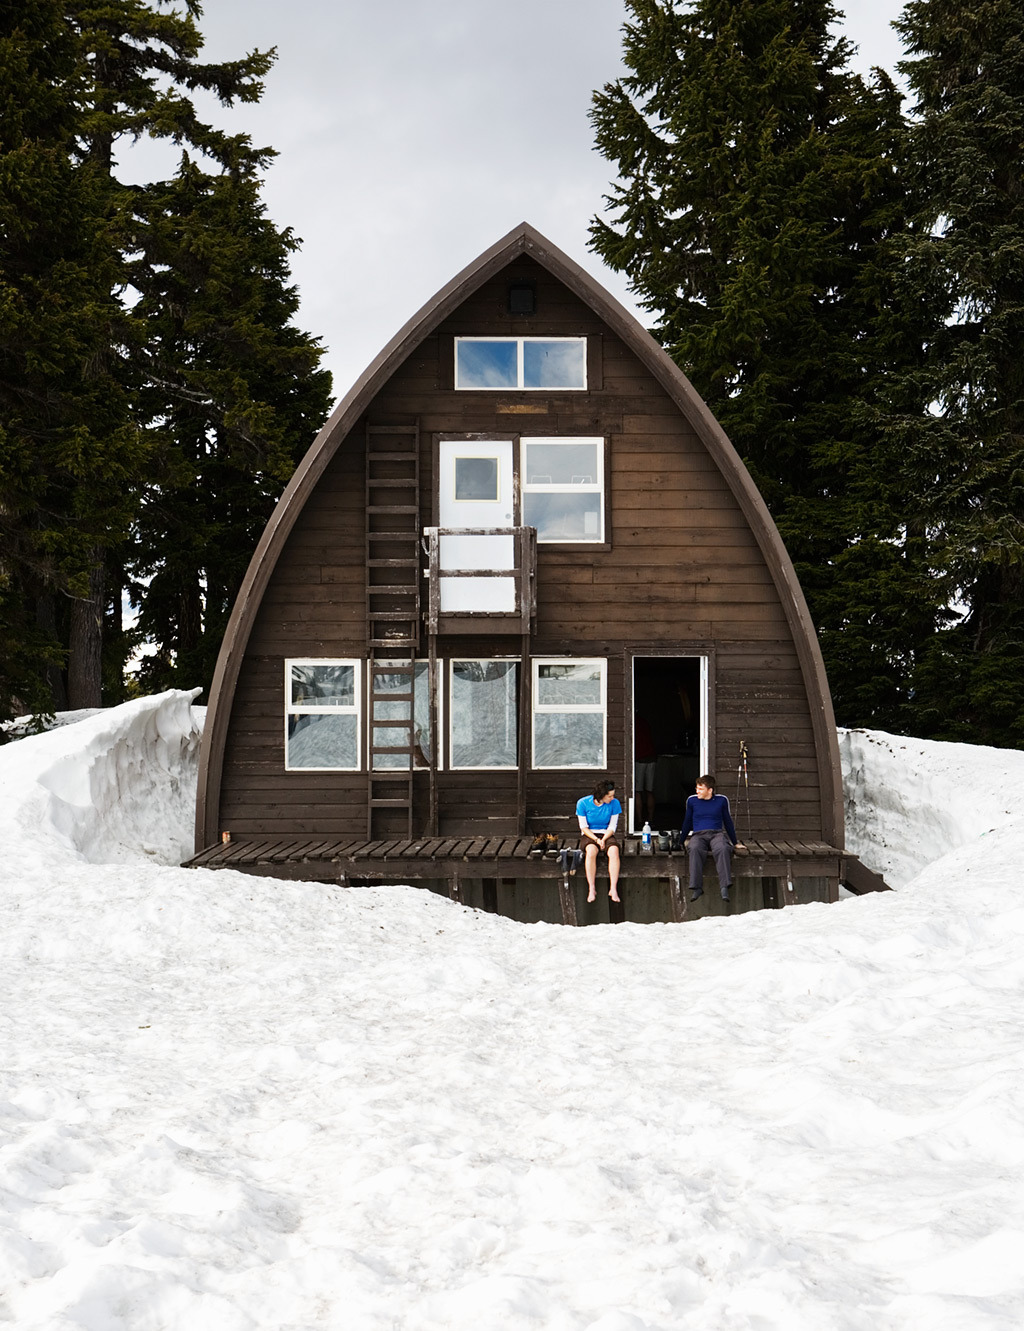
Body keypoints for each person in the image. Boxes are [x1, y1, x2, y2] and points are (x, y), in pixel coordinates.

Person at [680, 774, 744, 903]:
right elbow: (687, 821)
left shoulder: (721, 800)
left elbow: (728, 821)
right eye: (696, 788)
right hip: (698, 834)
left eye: (700, 789)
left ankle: (724, 886)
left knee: (723, 848)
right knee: (694, 848)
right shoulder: (692, 801)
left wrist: (735, 842)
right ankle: (697, 887)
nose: (697, 791)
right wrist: (680, 841)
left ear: (710, 790)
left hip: (717, 833)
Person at [576, 779, 622, 905]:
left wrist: (603, 839)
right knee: (591, 851)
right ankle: (592, 888)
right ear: (601, 796)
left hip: (606, 833)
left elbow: (612, 827)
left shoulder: (615, 804)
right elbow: (583, 827)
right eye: (609, 796)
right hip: (589, 833)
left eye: (613, 795)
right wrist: (596, 839)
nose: (612, 798)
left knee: (614, 851)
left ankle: (613, 888)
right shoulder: (583, 803)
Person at [633, 714, 656, 826]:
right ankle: (651, 818)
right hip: (651, 758)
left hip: (639, 758)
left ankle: (639, 820)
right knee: (649, 791)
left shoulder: (633, 721)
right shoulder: (645, 722)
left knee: (638, 791)